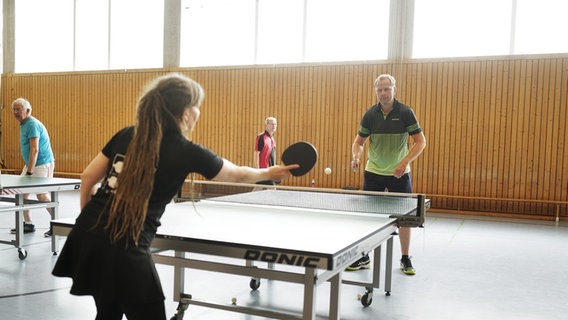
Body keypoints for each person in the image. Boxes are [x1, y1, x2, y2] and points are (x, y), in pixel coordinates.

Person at [52, 73, 298, 320]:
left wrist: (87, 219)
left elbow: (87, 178)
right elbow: (235, 174)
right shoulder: (186, 150)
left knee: (108, 312)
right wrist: (268, 172)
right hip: (125, 245)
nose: (198, 113)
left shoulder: (127, 134)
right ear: (185, 112)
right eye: (197, 107)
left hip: (87, 235)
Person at [349, 74, 426, 275]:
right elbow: (358, 142)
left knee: (405, 218)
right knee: (367, 218)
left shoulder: (406, 113)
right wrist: (356, 157)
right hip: (373, 172)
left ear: (394, 90)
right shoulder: (370, 115)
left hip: (399, 174)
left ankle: (405, 258)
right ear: (376, 91)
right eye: (380, 90)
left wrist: (404, 162)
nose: (383, 93)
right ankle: (364, 256)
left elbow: (420, 141)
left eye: (387, 89)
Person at [11, 98, 56, 237]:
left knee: (41, 195)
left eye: (19, 109)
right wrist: (29, 168)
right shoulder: (24, 123)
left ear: (28, 110)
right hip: (31, 164)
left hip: (42, 163)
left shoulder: (32, 124)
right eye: (14, 109)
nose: (16, 112)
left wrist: (30, 171)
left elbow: (34, 149)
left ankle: (58, 223)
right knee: (22, 193)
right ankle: (28, 223)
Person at [253, 116, 277, 185]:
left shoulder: (272, 138)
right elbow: (256, 154)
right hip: (263, 171)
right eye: (272, 124)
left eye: (275, 124)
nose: (274, 126)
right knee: (271, 189)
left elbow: (272, 156)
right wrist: (257, 171)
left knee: (258, 189)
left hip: (270, 171)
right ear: (266, 125)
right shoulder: (261, 137)